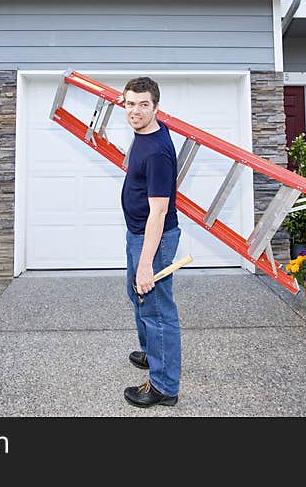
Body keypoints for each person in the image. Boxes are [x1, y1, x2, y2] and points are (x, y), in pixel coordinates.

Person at [119, 76, 182, 408]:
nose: (136, 110)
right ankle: (152, 352)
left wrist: (146, 263)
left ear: (156, 107)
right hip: (138, 234)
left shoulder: (157, 151)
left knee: (157, 309)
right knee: (137, 295)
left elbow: (159, 211)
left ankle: (164, 386)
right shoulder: (144, 134)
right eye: (130, 103)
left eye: (144, 104)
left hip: (152, 237)